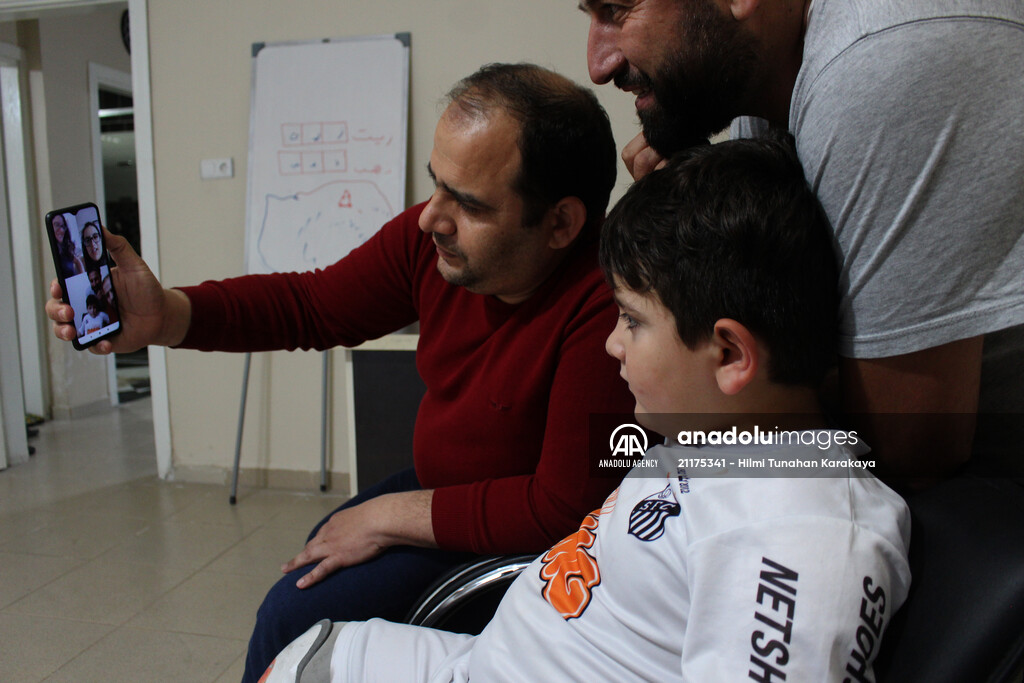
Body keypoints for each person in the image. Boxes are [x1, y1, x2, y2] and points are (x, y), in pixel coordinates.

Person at [45, 63, 633, 682]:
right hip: (449, 487)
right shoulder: (433, 244)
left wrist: (386, 516)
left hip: (522, 535)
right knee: (319, 557)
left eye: (468, 203)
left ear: (561, 224)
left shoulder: (606, 309)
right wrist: (165, 316)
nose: (431, 218)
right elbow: (313, 305)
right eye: (437, 185)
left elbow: (562, 505)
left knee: (293, 618)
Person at [259, 135, 911, 683]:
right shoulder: (719, 435)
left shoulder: (802, 536)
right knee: (297, 653)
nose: (611, 343)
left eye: (631, 321)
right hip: (493, 660)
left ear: (730, 354)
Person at [578, 0, 1024, 482]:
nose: (599, 65)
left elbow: (909, 446)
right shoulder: (770, 73)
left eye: (617, 10)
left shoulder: (877, 66)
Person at [51, 213, 85, 277]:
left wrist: (82, 278)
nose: (61, 230)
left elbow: (77, 261)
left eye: (63, 226)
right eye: (57, 225)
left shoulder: (65, 249)